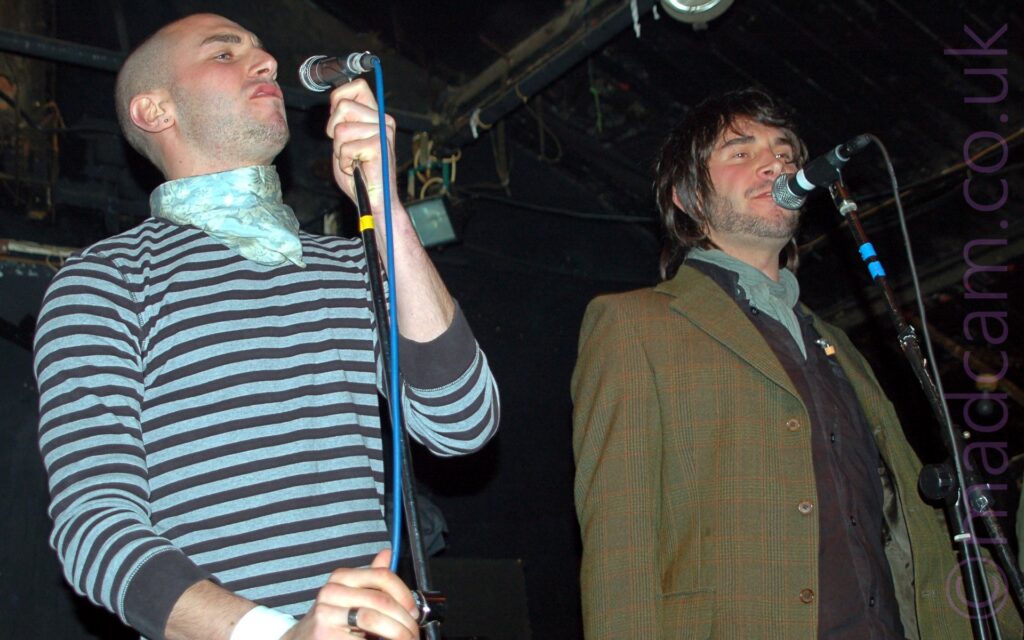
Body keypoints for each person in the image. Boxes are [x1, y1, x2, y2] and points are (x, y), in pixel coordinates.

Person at [33, 13, 499, 640]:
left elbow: (462, 424)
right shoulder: (105, 280)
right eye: (224, 54)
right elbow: (96, 528)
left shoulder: (350, 260)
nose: (267, 62)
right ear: (153, 110)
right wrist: (276, 635)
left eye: (260, 48)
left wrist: (385, 207)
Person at [571, 88, 1021, 638]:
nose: (776, 163)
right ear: (687, 197)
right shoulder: (634, 324)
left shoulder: (837, 342)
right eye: (741, 151)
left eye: (785, 152)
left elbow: (899, 513)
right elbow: (621, 534)